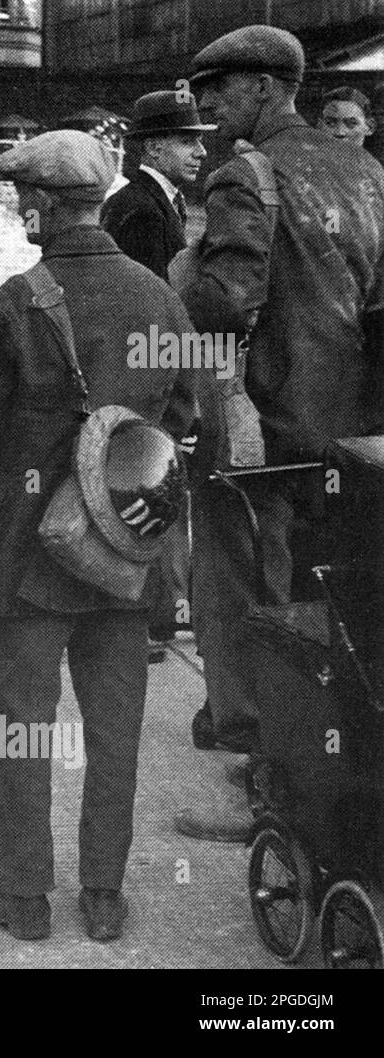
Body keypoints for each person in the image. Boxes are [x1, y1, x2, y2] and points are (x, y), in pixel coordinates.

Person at [0, 130, 195, 943]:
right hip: (128, 550)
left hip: (35, 550)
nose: (18, 209)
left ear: (44, 206)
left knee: (22, 718)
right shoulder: (160, 298)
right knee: (116, 724)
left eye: (23, 198)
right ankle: (103, 898)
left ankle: (23, 898)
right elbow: (184, 420)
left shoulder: (17, 303)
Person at [171, 26, 384, 842]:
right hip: (352, 434)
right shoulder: (366, 170)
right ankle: (333, 772)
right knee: (330, 601)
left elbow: (222, 304)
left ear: (265, 88)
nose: (206, 106)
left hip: (260, 429)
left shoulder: (244, 175)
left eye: (217, 90)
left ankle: (261, 781)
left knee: (240, 597)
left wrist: (182, 272)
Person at [101, 90, 211, 654]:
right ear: (153, 146)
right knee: (148, 486)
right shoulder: (143, 210)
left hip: (143, 373)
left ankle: (155, 613)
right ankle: (144, 617)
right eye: (187, 140)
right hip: (148, 376)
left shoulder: (150, 201)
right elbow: (151, 311)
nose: (198, 151)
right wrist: (177, 393)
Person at [318, 85, 375, 150]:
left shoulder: (370, 160)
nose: (340, 132)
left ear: (370, 127)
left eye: (351, 123)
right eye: (330, 123)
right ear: (319, 125)